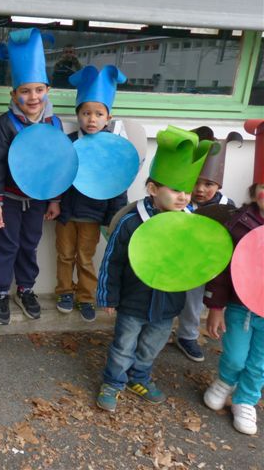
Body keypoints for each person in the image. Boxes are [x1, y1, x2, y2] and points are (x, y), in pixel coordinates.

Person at [95, 126, 211, 412]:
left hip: (169, 301)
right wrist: (108, 296)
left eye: (187, 190)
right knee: (124, 344)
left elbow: (196, 260)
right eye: (175, 189)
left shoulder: (191, 225)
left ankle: (140, 377)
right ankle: (113, 381)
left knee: (152, 344)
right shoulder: (131, 222)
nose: (184, 196)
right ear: (152, 189)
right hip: (133, 300)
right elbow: (113, 260)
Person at [0, 28, 63, 325]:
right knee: (6, 246)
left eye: (38, 90)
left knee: (30, 244)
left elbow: (59, 164)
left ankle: (26, 289)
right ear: (14, 94)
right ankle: (1, 292)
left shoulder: (54, 124)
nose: (33, 97)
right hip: (8, 197)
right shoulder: (5, 124)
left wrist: (55, 199)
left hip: (40, 199)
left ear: (47, 89)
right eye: (25, 91)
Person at [203, 119, 264, 435]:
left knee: (259, 364)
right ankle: (225, 379)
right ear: (256, 191)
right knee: (237, 356)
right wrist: (215, 307)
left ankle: (246, 400)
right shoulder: (239, 225)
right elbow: (222, 271)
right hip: (241, 307)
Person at [54, 65, 128, 322]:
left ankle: (86, 296)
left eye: (98, 114)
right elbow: (59, 177)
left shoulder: (112, 148)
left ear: (108, 117)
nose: (92, 119)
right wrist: (54, 202)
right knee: (64, 256)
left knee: (85, 258)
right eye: (86, 113)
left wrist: (114, 216)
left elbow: (118, 183)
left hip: (94, 216)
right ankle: (64, 292)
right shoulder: (69, 141)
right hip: (66, 213)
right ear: (78, 115)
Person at [175, 127, 239, 362]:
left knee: (198, 299)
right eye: (196, 182)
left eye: (209, 184)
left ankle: (187, 335)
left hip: (210, 263)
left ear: (219, 186)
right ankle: (170, 333)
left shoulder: (227, 205)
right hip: (179, 259)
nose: (201, 189)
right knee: (176, 298)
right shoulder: (180, 201)